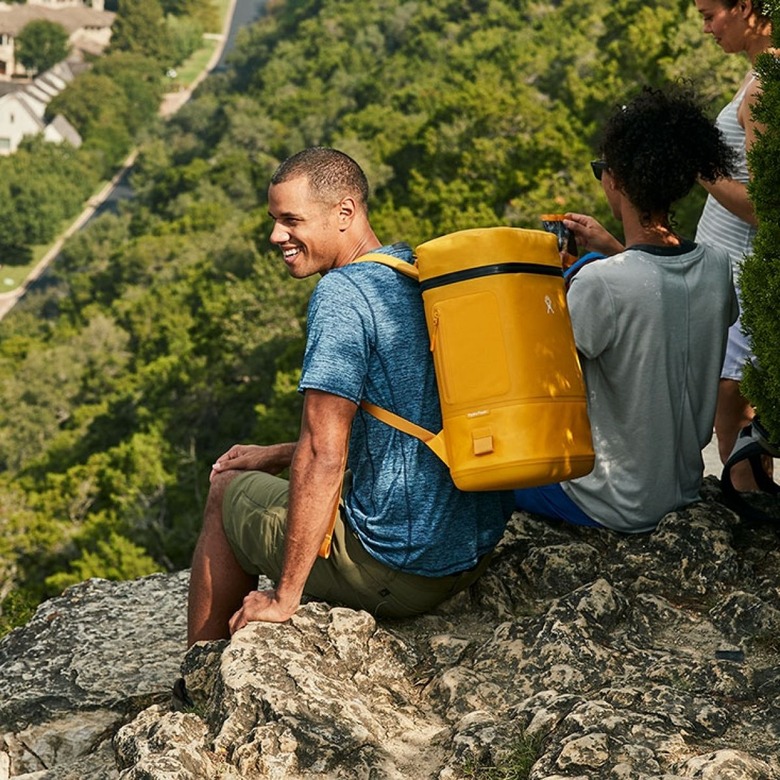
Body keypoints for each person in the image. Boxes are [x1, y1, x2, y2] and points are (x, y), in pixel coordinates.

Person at [186, 147, 514, 645]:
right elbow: (394, 428)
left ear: (345, 212)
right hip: (467, 553)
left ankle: (197, 671)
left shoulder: (341, 296)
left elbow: (324, 452)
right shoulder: (415, 272)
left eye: (291, 220)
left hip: (397, 569)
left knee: (227, 489)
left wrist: (284, 598)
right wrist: (274, 455)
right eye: (274, 220)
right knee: (254, 470)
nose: (276, 236)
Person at [514, 85, 739, 534]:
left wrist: (557, 280)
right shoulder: (716, 267)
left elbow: (539, 368)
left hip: (611, 500)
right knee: (592, 263)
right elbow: (660, 294)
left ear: (614, 180)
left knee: (470, 474)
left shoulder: (602, 282)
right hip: (680, 487)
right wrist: (607, 253)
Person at [693, 0, 776, 490]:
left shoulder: (768, 86)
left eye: (709, 14)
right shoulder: (757, 76)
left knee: (734, 409)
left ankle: (752, 528)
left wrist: (702, 168)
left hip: (744, 280)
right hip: (729, 276)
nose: (705, 28)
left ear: (745, 7)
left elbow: (765, 208)